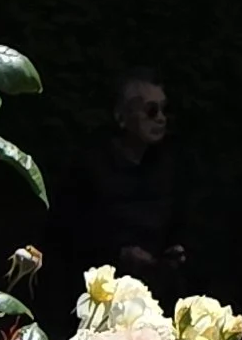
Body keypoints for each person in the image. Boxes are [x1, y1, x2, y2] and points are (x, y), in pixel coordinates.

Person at [49, 69, 190, 303]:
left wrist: (175, 250)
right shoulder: (90, 166)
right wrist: (118, 253)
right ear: (122, 116)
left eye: (165, 110)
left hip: (156, 290)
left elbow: (180, 223)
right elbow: (66, 231)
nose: (161, 118)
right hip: (97, 290)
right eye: (151, 110)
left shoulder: (169, 166)